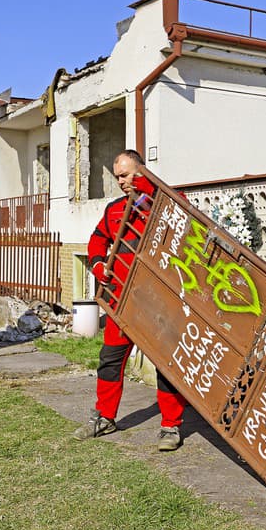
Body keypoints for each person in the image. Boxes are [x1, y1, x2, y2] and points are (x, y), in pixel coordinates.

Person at [72, 149, 188, 451]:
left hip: (159, 305)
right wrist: (99, 266)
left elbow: (184, 218)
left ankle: (170, 427)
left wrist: (145, 190)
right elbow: (97, 240)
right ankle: (105, 417)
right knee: (109, 361)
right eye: (118, 176)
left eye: (126, 174)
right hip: (121, 303)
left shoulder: (165, 203)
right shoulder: (113, 210)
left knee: (165, 366)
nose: (121, 181)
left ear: (142, 170)